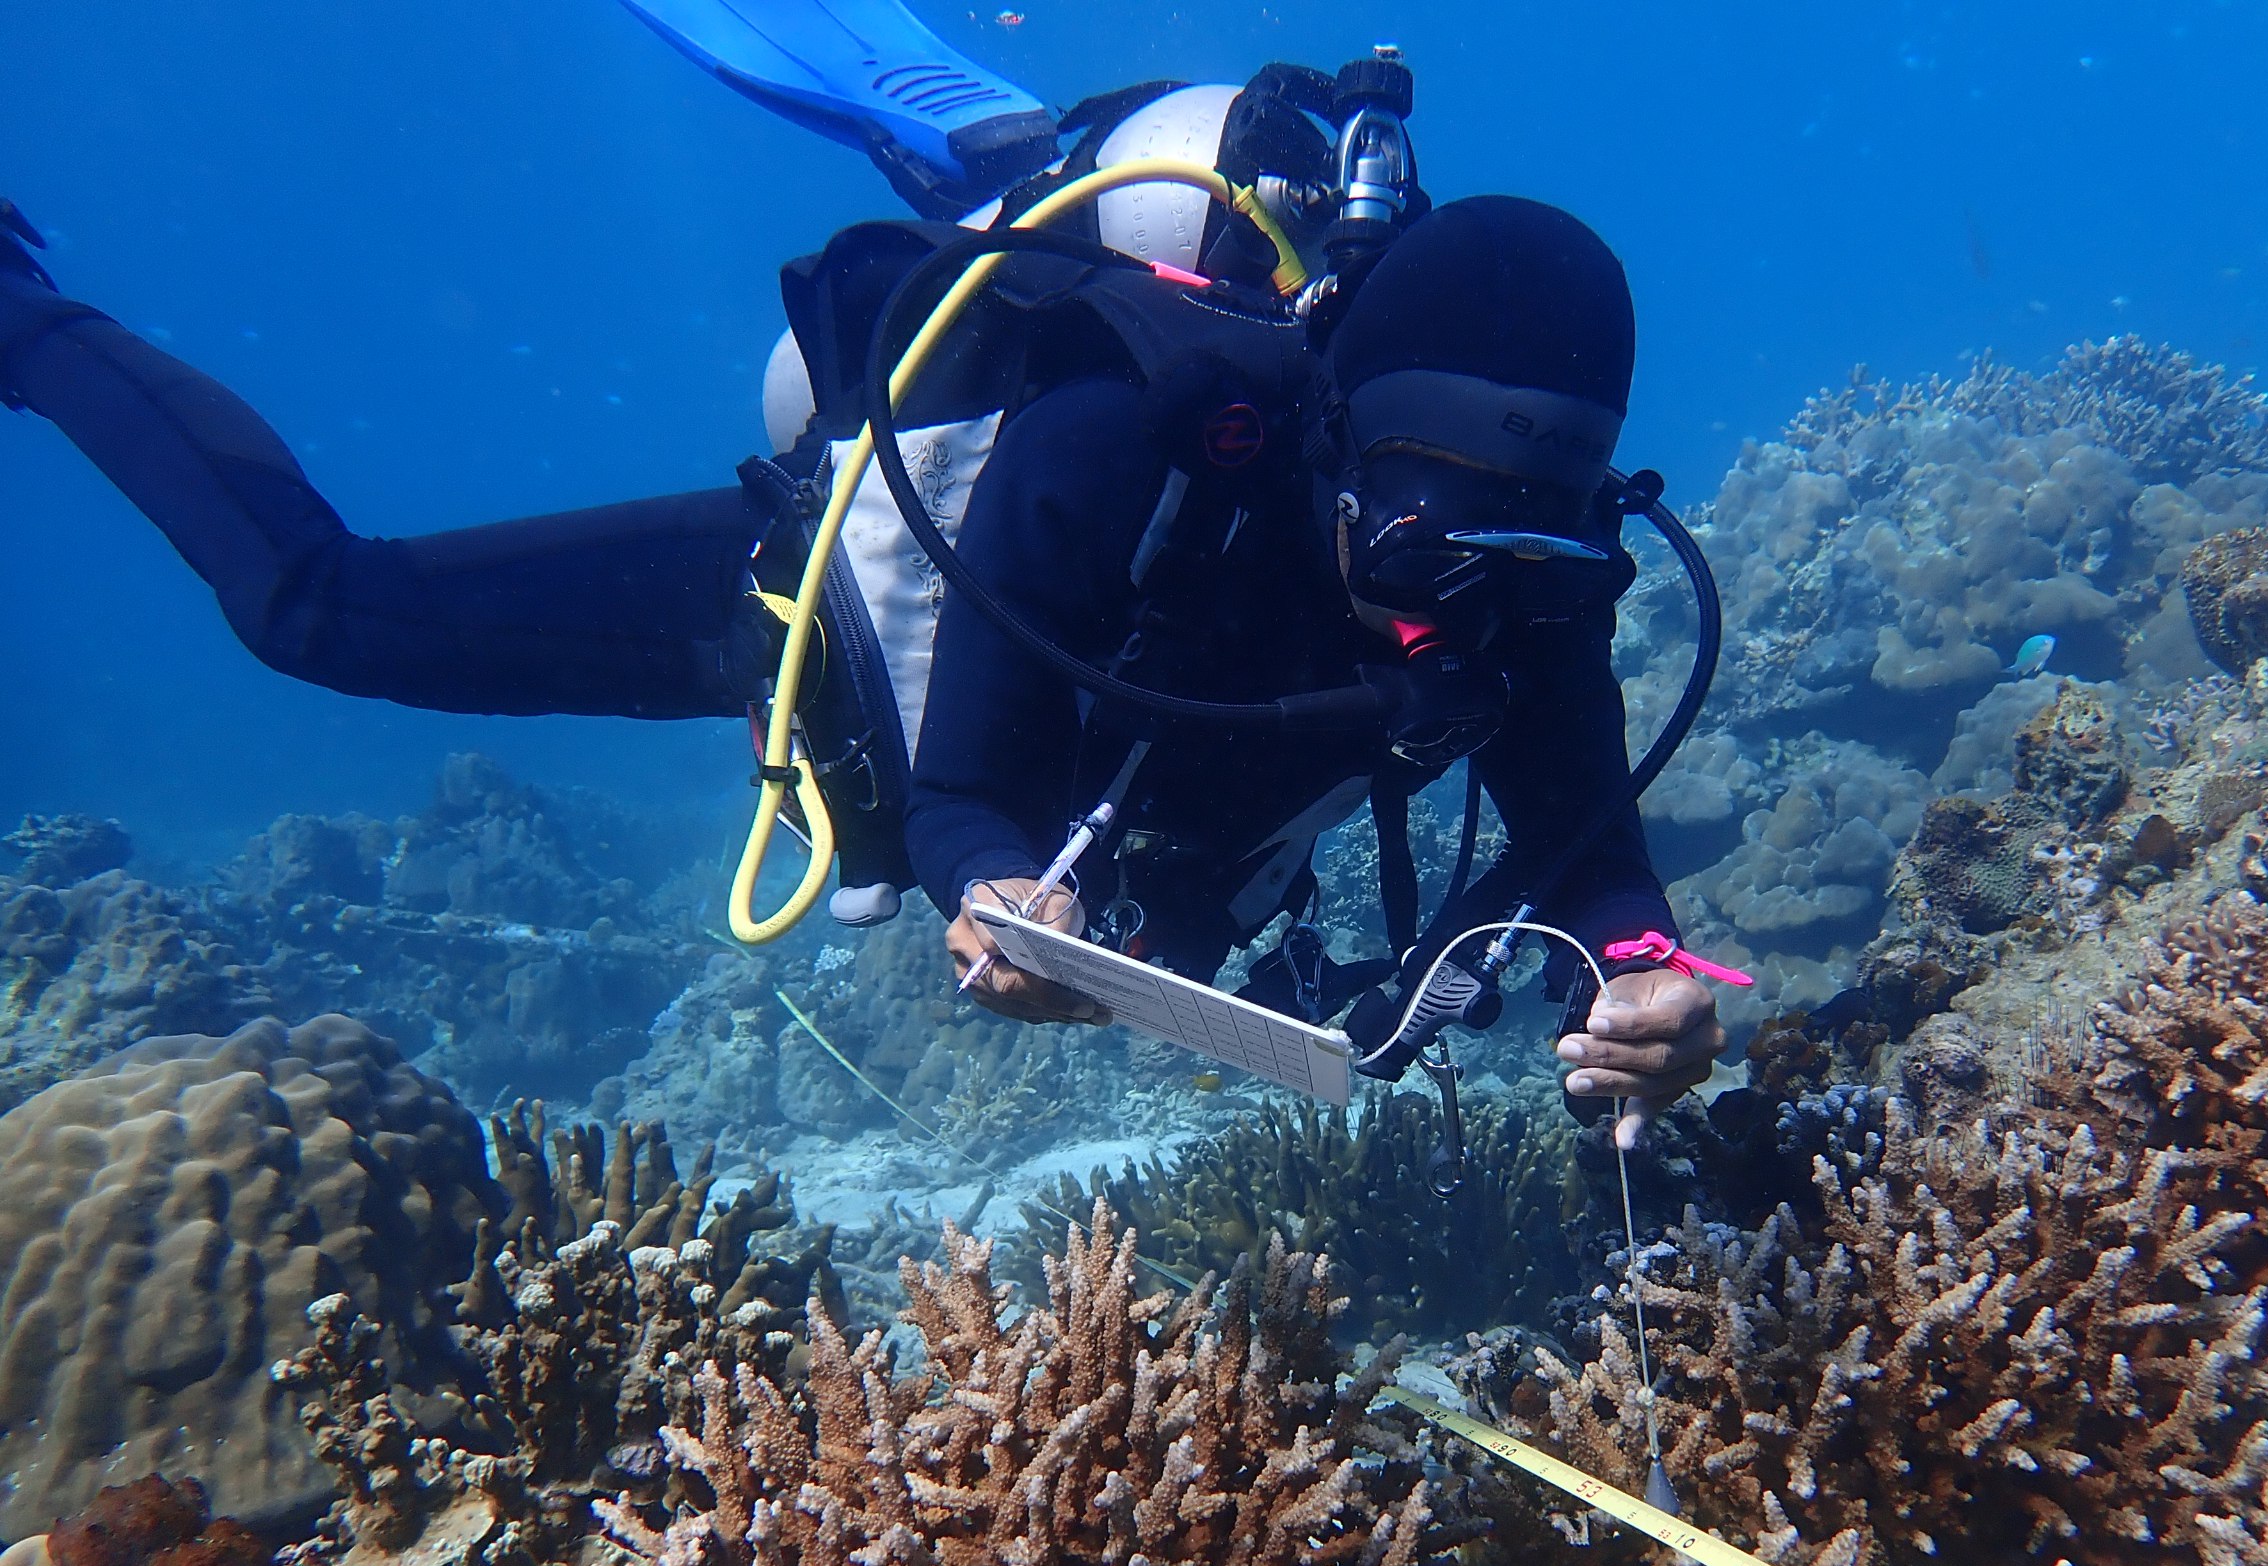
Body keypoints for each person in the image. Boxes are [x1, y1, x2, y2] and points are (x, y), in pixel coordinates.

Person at [0, 58, 1724, 1146]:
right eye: (1425, 553)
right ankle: (31, 327)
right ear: (1332, 440)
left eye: (1526, 562)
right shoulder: (1116, 449)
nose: (1460, 617)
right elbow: (962, 785)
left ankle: (1002, 143)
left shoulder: (1531, 580)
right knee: (318, 613)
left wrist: (1640, 967)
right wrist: (983, 895)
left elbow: (1585, 837)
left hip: (1122, 743)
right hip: (830, 637)